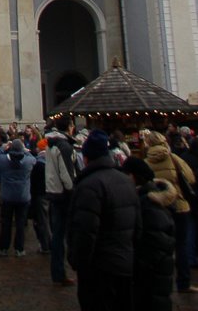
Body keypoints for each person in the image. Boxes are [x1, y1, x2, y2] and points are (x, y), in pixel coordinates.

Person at [67, 129, 141, 311]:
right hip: (124, 264)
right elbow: (138, 227)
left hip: (98, 268)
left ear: (85, 158)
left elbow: (85, 231)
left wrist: (78, 262)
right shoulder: (126, 181)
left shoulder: (89, 185)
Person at [144, 130, 198, 294]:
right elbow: (190, 178)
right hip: (179, 206)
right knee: (180, 245)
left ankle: (160, 283)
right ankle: (183, 282)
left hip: (158, 207)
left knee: (158, 246)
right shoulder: (174, 158)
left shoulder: (145, 162)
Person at [122, 156, 176, 311]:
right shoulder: (151, 199)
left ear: (134, 176)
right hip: (156, 277)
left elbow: (154, 243)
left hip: (151, 277)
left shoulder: (148, 204)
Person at [0, 137, 35, 256]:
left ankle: (3, 248)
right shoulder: (28, 162)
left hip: (8, 197)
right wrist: (23, 149)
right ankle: (19, 249)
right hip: (23, 197)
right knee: (20, 225)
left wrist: (3, 147)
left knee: (6, 223)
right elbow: (33, 158)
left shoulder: (3, 161)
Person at [45, 115, 77, 286]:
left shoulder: (50, 144)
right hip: (64, 195)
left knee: (57, 234)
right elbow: (66, 174)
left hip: (53, 191)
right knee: (64, 234)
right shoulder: (63, 146)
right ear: (70, 126)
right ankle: (64, 269)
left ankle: (58, 271)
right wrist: (73, 191)